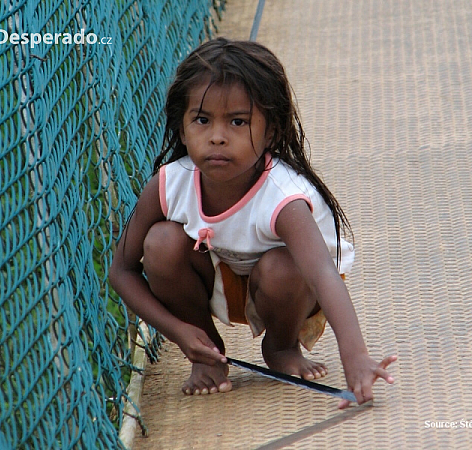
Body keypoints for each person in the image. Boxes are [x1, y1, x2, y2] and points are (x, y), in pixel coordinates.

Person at [109, 37, 396, 408]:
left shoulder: (284, 198)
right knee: (161, 242)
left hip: (293, 292)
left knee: (282, 266)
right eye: (201, 119)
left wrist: (355, 356)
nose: (216, 136)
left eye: (238, 121)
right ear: (182, 129)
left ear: (271, 132)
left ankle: (281, 345)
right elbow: (122, 271)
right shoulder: (169, 184)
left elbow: (323, 275)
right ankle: (209, 354)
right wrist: (181, 334)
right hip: (222, 275)